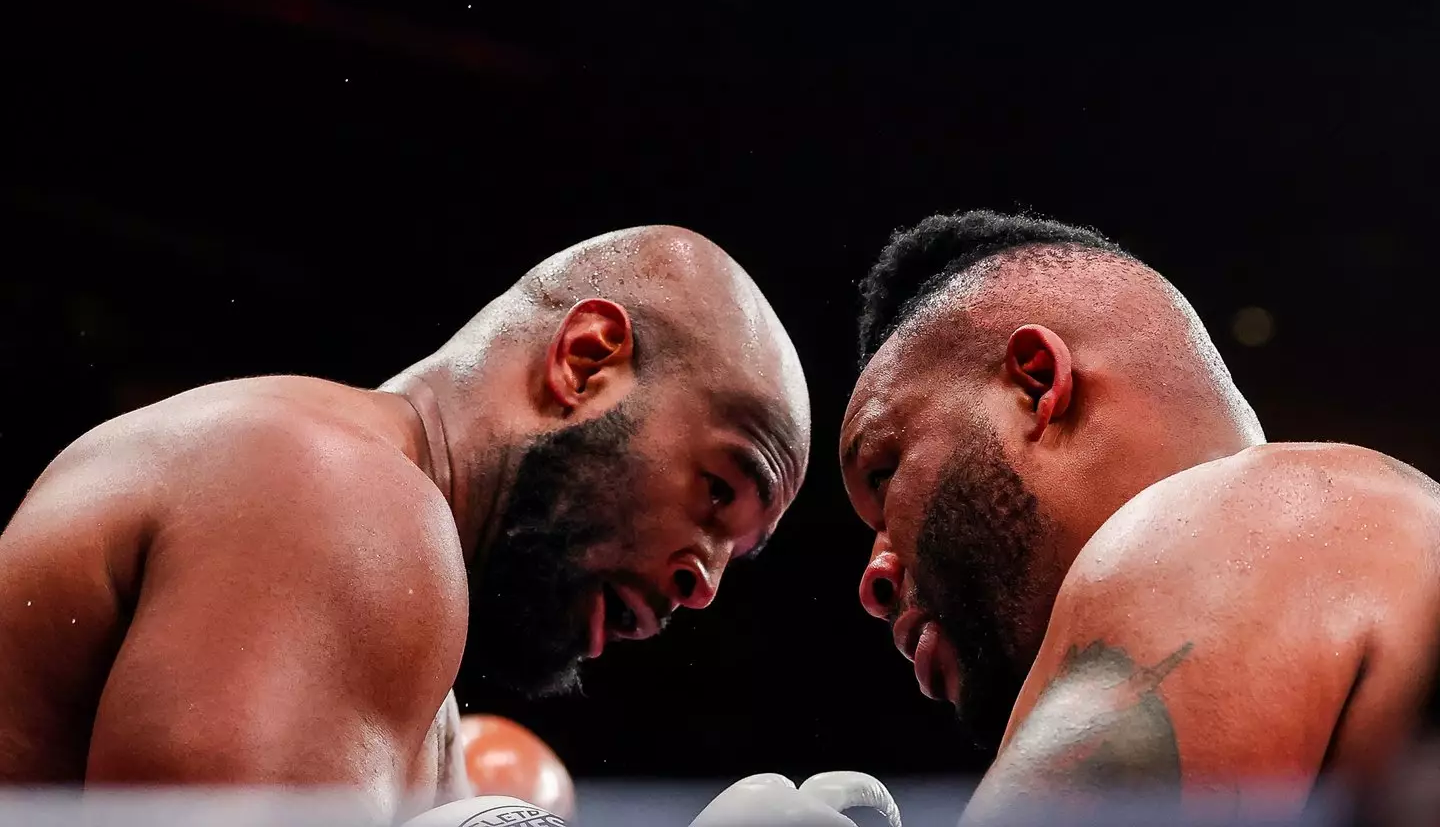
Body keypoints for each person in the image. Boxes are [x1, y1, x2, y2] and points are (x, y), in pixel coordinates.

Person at [0, 225, 810, 822]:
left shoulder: (363, 578)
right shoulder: (336, 495)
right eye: (717, 490)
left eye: (737, 554)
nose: (704, 584)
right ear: (587, 361)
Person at [840, 210, 1440, 821]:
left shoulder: (1236, 519)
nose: (873, 579)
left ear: (1038, 383)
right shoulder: (1377, 545)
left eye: (883, 474)